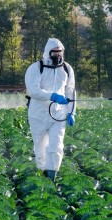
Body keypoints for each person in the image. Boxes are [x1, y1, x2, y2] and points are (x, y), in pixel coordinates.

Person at [24, 38, 76, 182]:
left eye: (60, 52)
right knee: (40, 149)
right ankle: (42, 173)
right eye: (55, 52)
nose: (58, 55)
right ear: (48, 53)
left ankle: (52, 176)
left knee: (56, 146)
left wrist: (72, 112)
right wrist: (52, 96)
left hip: (58, 115)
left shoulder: (66, 69)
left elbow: (71, 92)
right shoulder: (35, 68)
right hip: (38, 115)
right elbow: (34, 91)